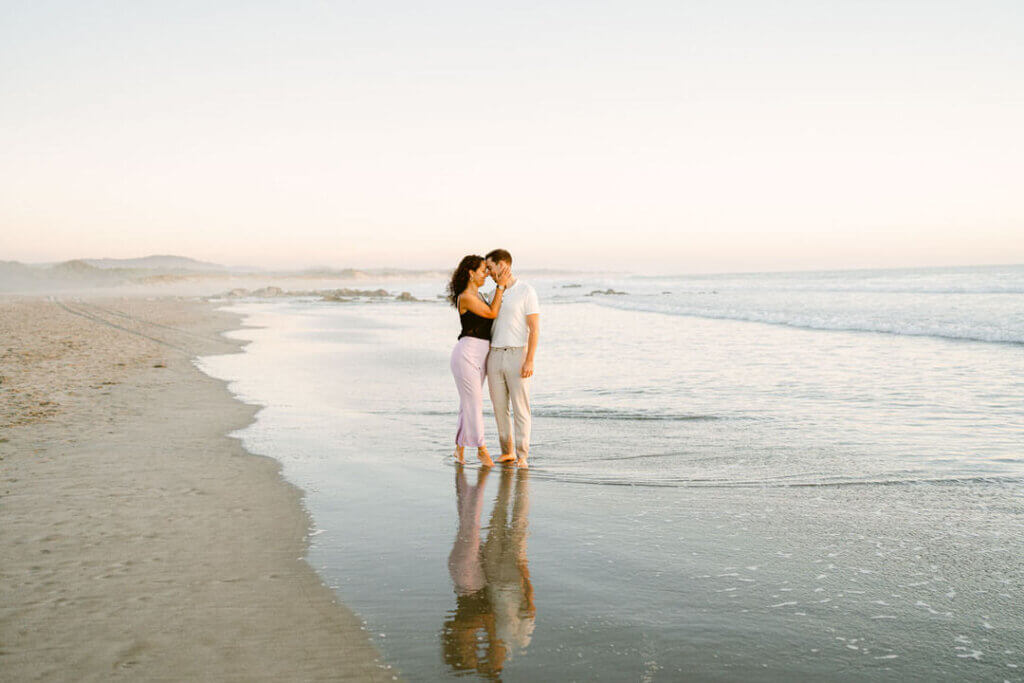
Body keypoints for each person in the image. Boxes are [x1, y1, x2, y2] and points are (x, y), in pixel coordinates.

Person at [447, 254, 511, 467]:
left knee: (467, 404)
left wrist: (501, 283)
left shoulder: (481, 296)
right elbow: (493, 312)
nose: (486, 274)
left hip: (481, 354)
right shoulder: (465, 297)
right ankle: (482, 450)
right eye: (483, 270)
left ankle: (459, 449)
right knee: (473, 403)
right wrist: (500, 287)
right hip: (467, 354)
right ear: (471, 273)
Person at [484, 249, 540, 469]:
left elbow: (534, 329)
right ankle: (506, 451)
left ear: (502, 265)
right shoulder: (492, 294)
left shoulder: (526, 291)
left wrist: (530, 360)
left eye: (490, 267)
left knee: (520, 407)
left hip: (518, 354)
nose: (488, 272)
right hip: (495, 355)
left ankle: (522, 454)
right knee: (499, 407)